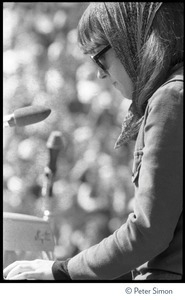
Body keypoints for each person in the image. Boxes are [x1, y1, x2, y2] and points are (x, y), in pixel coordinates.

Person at [3, 2, 183, 281]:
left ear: (130, 40)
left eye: (99, 57)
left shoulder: (170, 99)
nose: (99, 73)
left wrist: (60, 271)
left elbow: (149, 232)